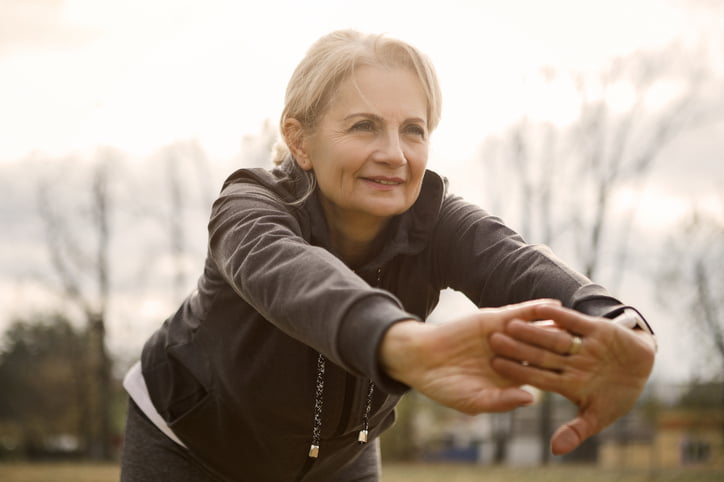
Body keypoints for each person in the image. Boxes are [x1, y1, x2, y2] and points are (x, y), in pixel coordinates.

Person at [120, 29, 657, 481]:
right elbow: (297, 281)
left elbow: (516, 263)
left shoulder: (438, 221)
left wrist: (621, 328)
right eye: (363, 126)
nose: (394, 155)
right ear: (300, 139)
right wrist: (405, 344)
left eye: (413, 131)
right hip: (188, 441)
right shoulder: (249, 206)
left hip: (338, 457)